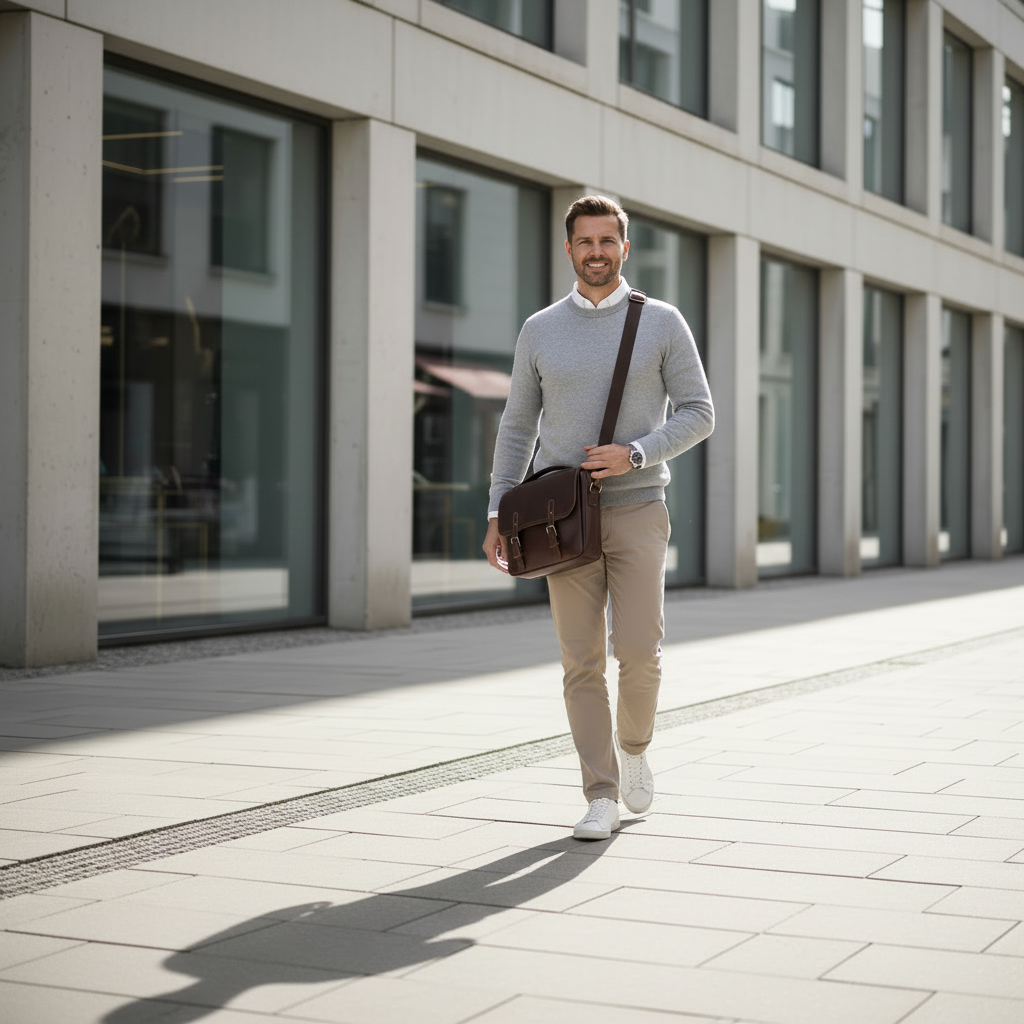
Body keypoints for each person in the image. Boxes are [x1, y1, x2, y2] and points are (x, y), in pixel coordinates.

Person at [483, 195, 714, 841]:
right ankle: (601, 793)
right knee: (580, 662)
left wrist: (636, 452)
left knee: (639, 655)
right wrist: (501, 509)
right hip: (560, 521)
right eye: (584, 242)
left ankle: (635, 746)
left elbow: (700, 411)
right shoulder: (540, 329)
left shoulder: (662, 322)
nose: (595, 253)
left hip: (639, 508)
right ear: (568, 250)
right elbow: (517, 426)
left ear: (625, 247)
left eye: (607, 242)